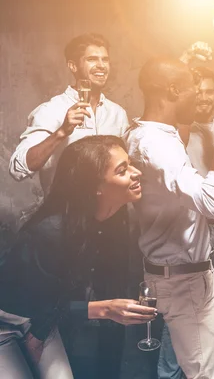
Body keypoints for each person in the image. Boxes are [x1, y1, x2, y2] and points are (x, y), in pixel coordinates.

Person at [124, 52, 214, 378]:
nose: (200, 94)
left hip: (195, 273)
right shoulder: (156, 145)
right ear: (174, 90)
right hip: (182, 280)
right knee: (205, 374)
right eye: (193, 87)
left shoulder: (156, 134)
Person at [0, 135, 155, 379]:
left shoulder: (105, 222)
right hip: (6, 323)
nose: (136, 173)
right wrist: (104, 310)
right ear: (96, 186)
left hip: (42, 319)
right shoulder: (52, 231)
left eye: (130, 164)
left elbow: (55, 302)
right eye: (122, 170)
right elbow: (41, 302)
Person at [9, 33, 129, 196]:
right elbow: (18, 168)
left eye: (105, 59)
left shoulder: (117, 114)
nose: (101, 65)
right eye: (92, 59)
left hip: (108, 216)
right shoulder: (50, 111)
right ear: (73, 66)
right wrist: (61, 132)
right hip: (65, 216)